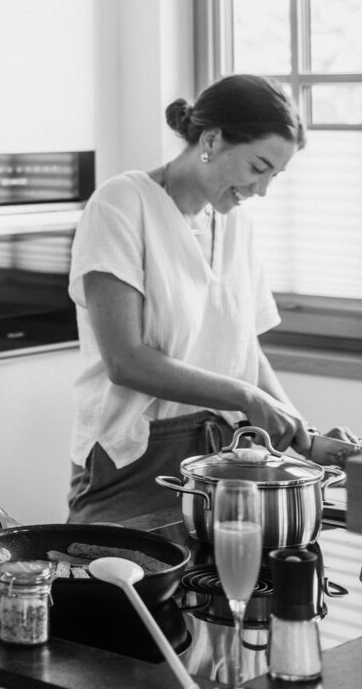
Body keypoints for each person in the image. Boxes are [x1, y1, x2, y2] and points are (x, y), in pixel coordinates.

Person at [66, 74, 356, 524]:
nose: (261, 190)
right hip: (132, 463)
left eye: (273, 176)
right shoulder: (122, 204)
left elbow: (245, 350)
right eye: (258, 168)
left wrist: (303, 435)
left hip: (224, 463)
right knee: (117, 590)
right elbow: (126, 360)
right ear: (212, 140)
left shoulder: (235, 222)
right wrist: (245, 396)